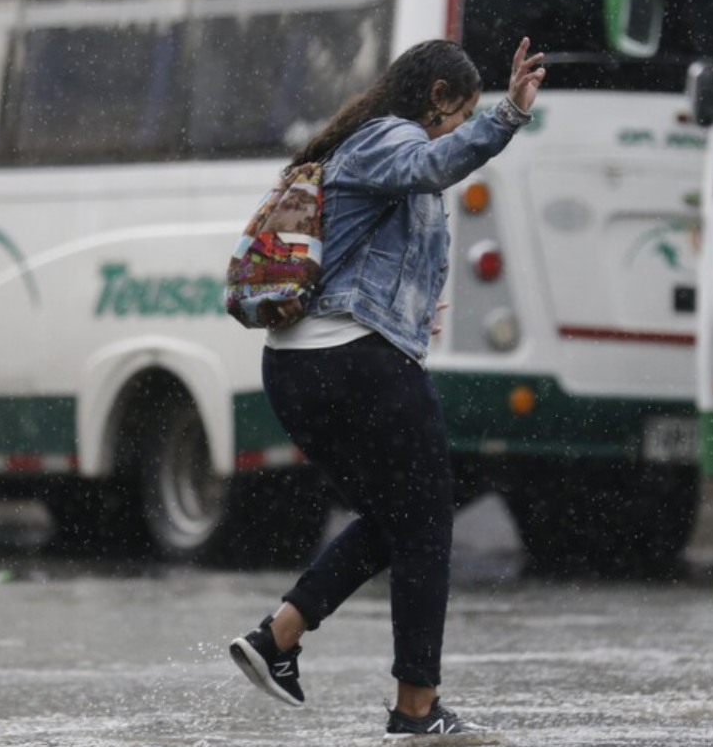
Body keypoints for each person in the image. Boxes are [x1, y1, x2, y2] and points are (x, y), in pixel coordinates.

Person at [227, 37, 545, 738]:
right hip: (351, 362)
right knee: (428, 522)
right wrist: (508, 117)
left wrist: (408, 308)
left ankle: (276, 639)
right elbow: (435, 161)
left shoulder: (364, 145)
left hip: (308, 367)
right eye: (460, 112)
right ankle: (415, 709)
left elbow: (374, 248)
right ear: (437, 98)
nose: (462, 127)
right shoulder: (389, 138)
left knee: (398, 518)